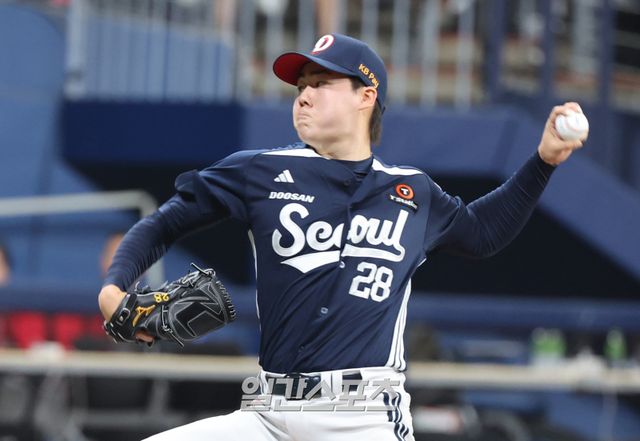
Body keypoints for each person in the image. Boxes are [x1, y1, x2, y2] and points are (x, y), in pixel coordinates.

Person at [98, 33, 586, 440]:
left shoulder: (412, 191)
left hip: (363, 418)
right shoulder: (260, 172)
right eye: (300, 87)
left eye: (321, 83)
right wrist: (114, 286)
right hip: (268, 415)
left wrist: (543, 162)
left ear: (365, 96)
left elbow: (482, 233)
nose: (303, 95)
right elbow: (164, 222)